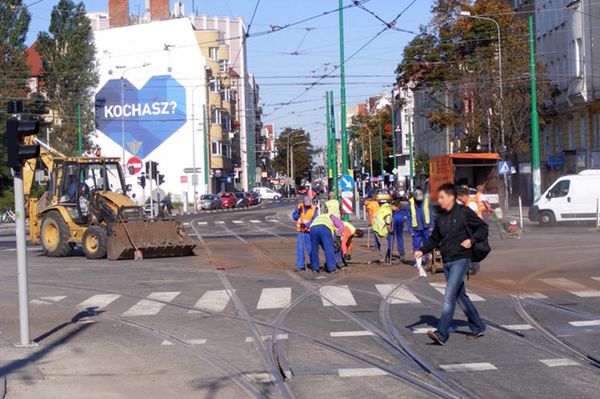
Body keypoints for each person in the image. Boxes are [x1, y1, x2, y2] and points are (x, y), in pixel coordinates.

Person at [415, 183, 488, 345]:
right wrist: (422, 250)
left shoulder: (464, 212)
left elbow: (483, 228)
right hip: (448, 260)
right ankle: (477, 325)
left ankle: (441, 334)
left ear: (451, 198)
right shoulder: (441, 217)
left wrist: (471, 240)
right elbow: (435, 238)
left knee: (449, 296)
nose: (439, 201)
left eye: (442, 197)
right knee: (460, 296)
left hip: (461, 259)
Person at [406, 189, 433, 277]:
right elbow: (409, 219)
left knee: (428, 245)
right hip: (416, 228)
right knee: (416, 246)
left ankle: (428, 261)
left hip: (426, 227)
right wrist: (411, 231)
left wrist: (431, 225)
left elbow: (431, 214)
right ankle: (418, 263)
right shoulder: (410, 204)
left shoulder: (426, 202)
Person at [292, 195, 317, 271]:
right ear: (303, 203)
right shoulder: (299, 207)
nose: (307, 207)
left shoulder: (314, 208)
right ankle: (300, 265)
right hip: (301, 231)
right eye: (306, 205)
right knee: (300, 248)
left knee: (310, 248)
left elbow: (314, 219)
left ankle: (313, 264)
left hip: (309, 231)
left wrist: (307, 225)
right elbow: (295, 217)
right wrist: (298, 213)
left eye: (308, 205)